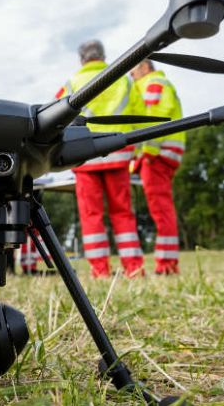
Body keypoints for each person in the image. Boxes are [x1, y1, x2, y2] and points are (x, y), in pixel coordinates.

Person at [56, 40, 145, 278]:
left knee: (91, 215)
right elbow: (139, 114)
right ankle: (134, 268)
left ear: (82, 59)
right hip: (117, 152)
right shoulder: (124, 79)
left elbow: (55, 117)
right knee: (123, 212)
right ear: (103, 56)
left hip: (84, 156)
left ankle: (100, 270)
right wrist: (137, 150)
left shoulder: (71, 83)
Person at [130, 60, 185, 275]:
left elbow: (152, 119)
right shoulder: (159, 82)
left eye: (133, 72)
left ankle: (167, 265)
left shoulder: (153, 83)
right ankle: (167, 262)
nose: (132, 77)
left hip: (157, 154)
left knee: (161, 210)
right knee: (162, 209)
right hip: (163, 153)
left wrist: (148, 153)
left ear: (145, 67)